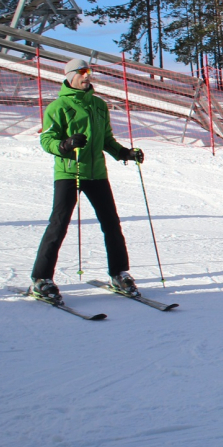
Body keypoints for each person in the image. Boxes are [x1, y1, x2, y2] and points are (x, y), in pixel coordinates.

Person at [29, 59, 145, 302]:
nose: (87, 76)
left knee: (111, 223)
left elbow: (106, 139)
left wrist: (124, 153)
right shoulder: (58, 107)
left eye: (89, 72)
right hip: (69, 173)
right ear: (70, 76)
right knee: (58, 224)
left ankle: (119, 273)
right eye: (82, 72)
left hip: (96, 173)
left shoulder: (99, 105)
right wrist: (65, 144)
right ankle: (41, 278)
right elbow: (46, 140)